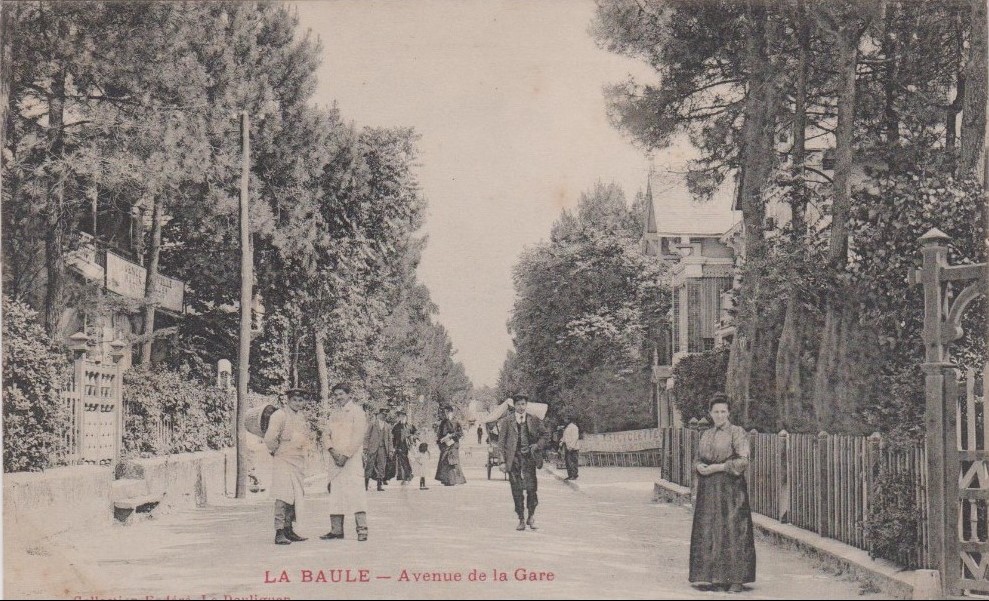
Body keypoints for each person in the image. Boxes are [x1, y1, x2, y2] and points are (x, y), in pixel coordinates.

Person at [688, 393, 756, 593]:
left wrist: (717, 468)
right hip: (708, 488)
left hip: (730, 489)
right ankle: (715, 577)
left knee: (732, 530)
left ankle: (736, 579)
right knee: (711, 529)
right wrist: (698, 467)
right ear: (710, 413)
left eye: (723, 412)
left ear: (729, 413)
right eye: (716, 412)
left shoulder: (737, 433)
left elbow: (743, 461)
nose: (719, 415)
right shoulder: (706, 434)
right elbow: (698, 458)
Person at [263, 388, 312, 545]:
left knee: (295, 495)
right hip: (283, 458)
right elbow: (270, 438)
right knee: (283, 494)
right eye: (294, 400)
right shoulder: (279, 415)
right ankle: (279, 531)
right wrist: (275, 451)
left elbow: (304, 438)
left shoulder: (301, 417)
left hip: (297, 460)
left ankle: (289, 528)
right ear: (288, 400)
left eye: (301, 400)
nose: (298, 403)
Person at [322, 383, 370, 542]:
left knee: (356, 493)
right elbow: (326, 434)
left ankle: (362, 530)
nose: (338, 397)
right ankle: (336, 530)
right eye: (336, 395)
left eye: (341, 394)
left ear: (349, 395)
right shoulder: (333, 414)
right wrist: (332, 451)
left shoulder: (358, 412)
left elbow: (358, 437)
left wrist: (345, 455)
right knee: (336, 494)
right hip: (335, 460)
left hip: (351, 460)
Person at [497, 395, 548, 531]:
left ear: (526, 405)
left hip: (529, 459)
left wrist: (537, 445)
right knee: (516, 490)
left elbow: (545, 435)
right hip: (513, 460)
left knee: (532, 489)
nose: (521, 407)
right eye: (518, 404)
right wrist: (502, 461)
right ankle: (521, 518)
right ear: (514, 405)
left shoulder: (533, 419)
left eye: (523, 404)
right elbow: (501, 443)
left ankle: (531, 516)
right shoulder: (507, 421)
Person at [434, 405, 467, 486]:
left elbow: (460, 433)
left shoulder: (456, 422)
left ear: (451, 412)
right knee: (444, 461)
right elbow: (439, 434)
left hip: (453, 444)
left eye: (447, 412)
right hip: (445, 445)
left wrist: (451, 435)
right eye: (445, 412)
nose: (446, 414)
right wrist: (441, 440)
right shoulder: (443, 422)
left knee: (453, 462)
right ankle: (446, 480)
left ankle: (455, 480)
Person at [364, 408, 393, 492]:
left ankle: (379, 486)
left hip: (383, 449)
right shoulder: (372, 424)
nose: (384, 416)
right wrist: (365, 447)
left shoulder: (387, 426)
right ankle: (365, 485)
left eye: (385, 415)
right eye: (383, 414)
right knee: (369, 465)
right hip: (372, 448)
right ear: (379, 414)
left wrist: (390, 450)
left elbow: (390, 439)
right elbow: (367, 436)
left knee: (382, 466)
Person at [392, 410, 417, 485]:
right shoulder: (396, 426)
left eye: (404, 416)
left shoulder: (410, 426)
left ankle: (408, 476)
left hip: (408, 447)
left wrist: (412, 437)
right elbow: (393, 437)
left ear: (406, 417)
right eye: (401, 416)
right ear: (399, 417)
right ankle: (406, 477)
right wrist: (393, 447)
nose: (402, 418)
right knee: (402, 462)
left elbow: (416, 433)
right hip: (399, 447)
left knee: (406, 462)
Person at [561, 414, 580, 481]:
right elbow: (564, 437)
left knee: (573, 462)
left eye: (566, 419)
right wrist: (561, 442)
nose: (564, 420)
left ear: (569, 420)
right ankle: (570, 475)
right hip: (567, 447)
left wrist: (571, 446)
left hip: (573, 448)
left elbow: (575, 438)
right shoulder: (567, 428)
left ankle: (574, 475)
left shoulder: (574, 427)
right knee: (568, 462)